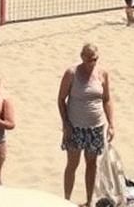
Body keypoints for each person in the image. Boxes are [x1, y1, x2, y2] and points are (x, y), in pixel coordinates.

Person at [58, 43, 114, 207]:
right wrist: (66, 123)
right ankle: (66, 200)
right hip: (75, 127)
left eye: (95, 59)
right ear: (82, 57)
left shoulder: (102, 74)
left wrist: (111, 124)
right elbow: (61, 100)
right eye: (89, 59)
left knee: (91, 164)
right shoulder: (72, 73)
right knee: (72, 164)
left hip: (95, 127)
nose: (92, 62)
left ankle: (89, 202)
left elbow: (107, 99)